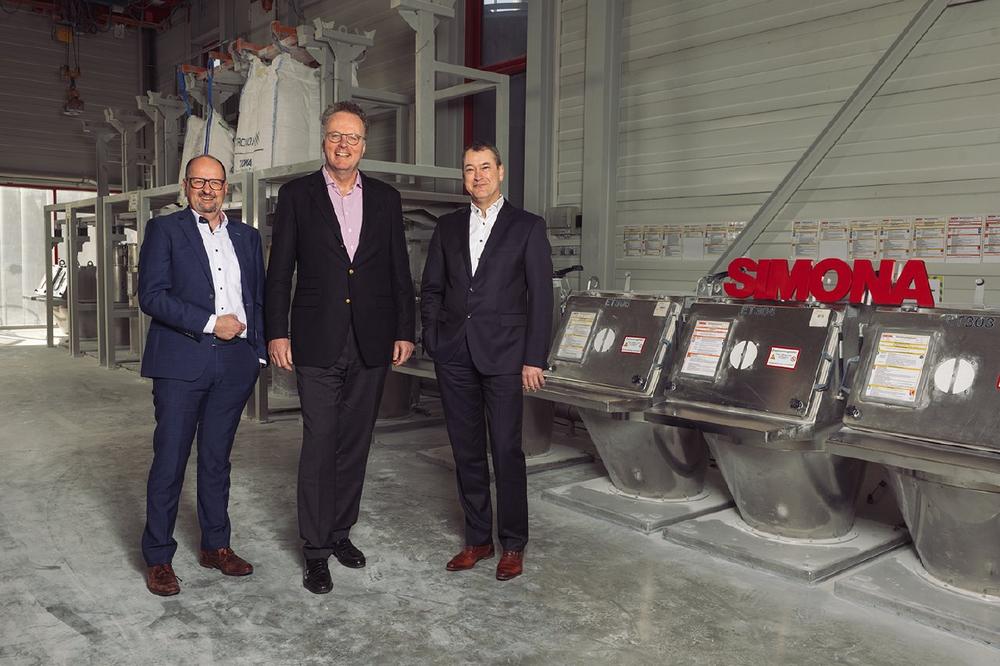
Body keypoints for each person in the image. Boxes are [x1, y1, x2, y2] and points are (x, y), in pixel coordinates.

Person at [265, 101, 415, 595]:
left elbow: (398, 270)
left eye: (352, 137)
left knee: (355, 442)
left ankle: (339, 533)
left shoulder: (386, 199)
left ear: (364, 145)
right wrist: (277, 332)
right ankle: (315, 550)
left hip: (371, 339)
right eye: (335, 135)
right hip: (316, 339)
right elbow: (279, 271)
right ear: (324, 141)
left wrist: (404, 330)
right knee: (319, 442)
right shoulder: (297, 195)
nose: (343, 144)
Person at [420, 142, 553, 581]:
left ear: (500, 171)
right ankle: (477, 539)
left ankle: (512, 543)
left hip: (506, 355)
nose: (477, 176)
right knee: (466, 450)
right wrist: (434, 338)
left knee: (506, 450)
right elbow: (432, 287)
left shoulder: (527, 226)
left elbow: (541, 297)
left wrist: (534, 358)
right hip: (455, 353)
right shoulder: (447, 226)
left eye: (484, 167)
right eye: (469, 169)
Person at [138, 154, 267, 596]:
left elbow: (256, 297)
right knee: (170, 458)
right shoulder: (164, 230)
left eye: (215, 182)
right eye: (198, 182)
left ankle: (216, 546)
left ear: (226, 188)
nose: (207, 189)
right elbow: (151, 296)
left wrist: (256, 352)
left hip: (235, 364)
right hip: (181, 362)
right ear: (186, 186)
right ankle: (159, 556)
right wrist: (212, 323)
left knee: (216, 459)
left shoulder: (247, 237)